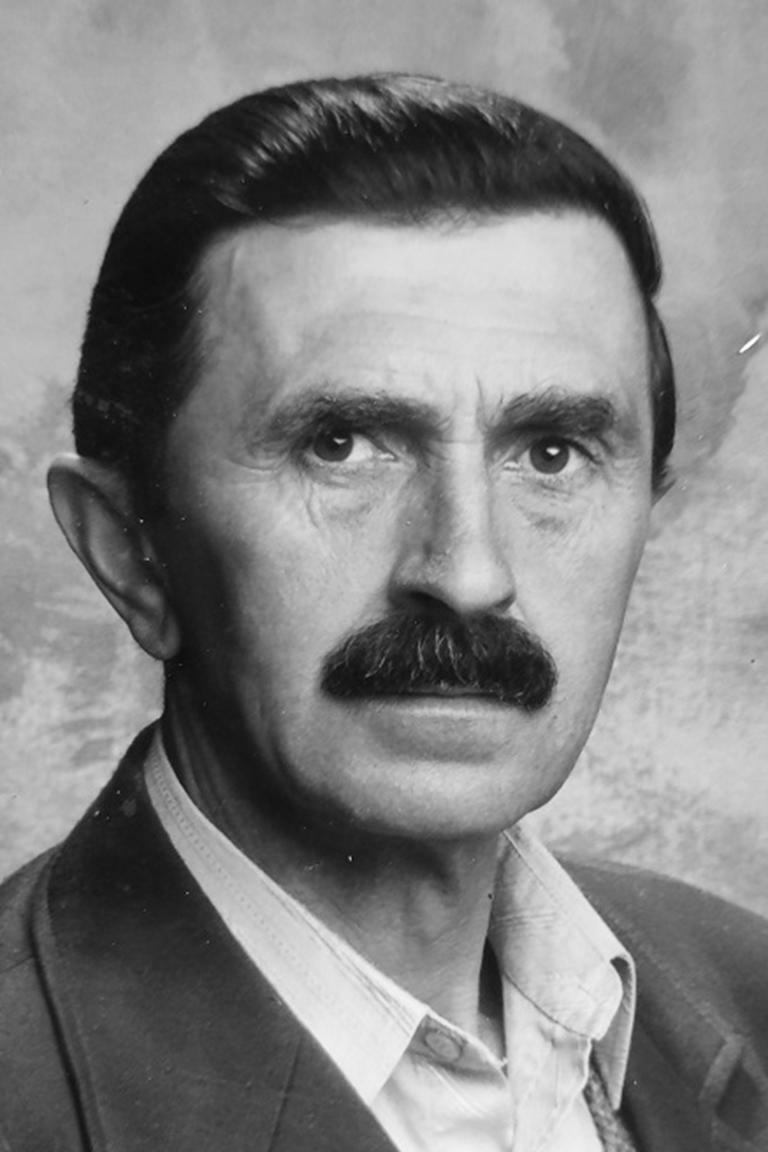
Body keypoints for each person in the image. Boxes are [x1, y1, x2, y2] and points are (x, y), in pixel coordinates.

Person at [0, 73, 766, 1152]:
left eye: (551, 453)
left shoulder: (747, 993)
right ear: (131, 553)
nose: (468, 572)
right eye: (342, 445)